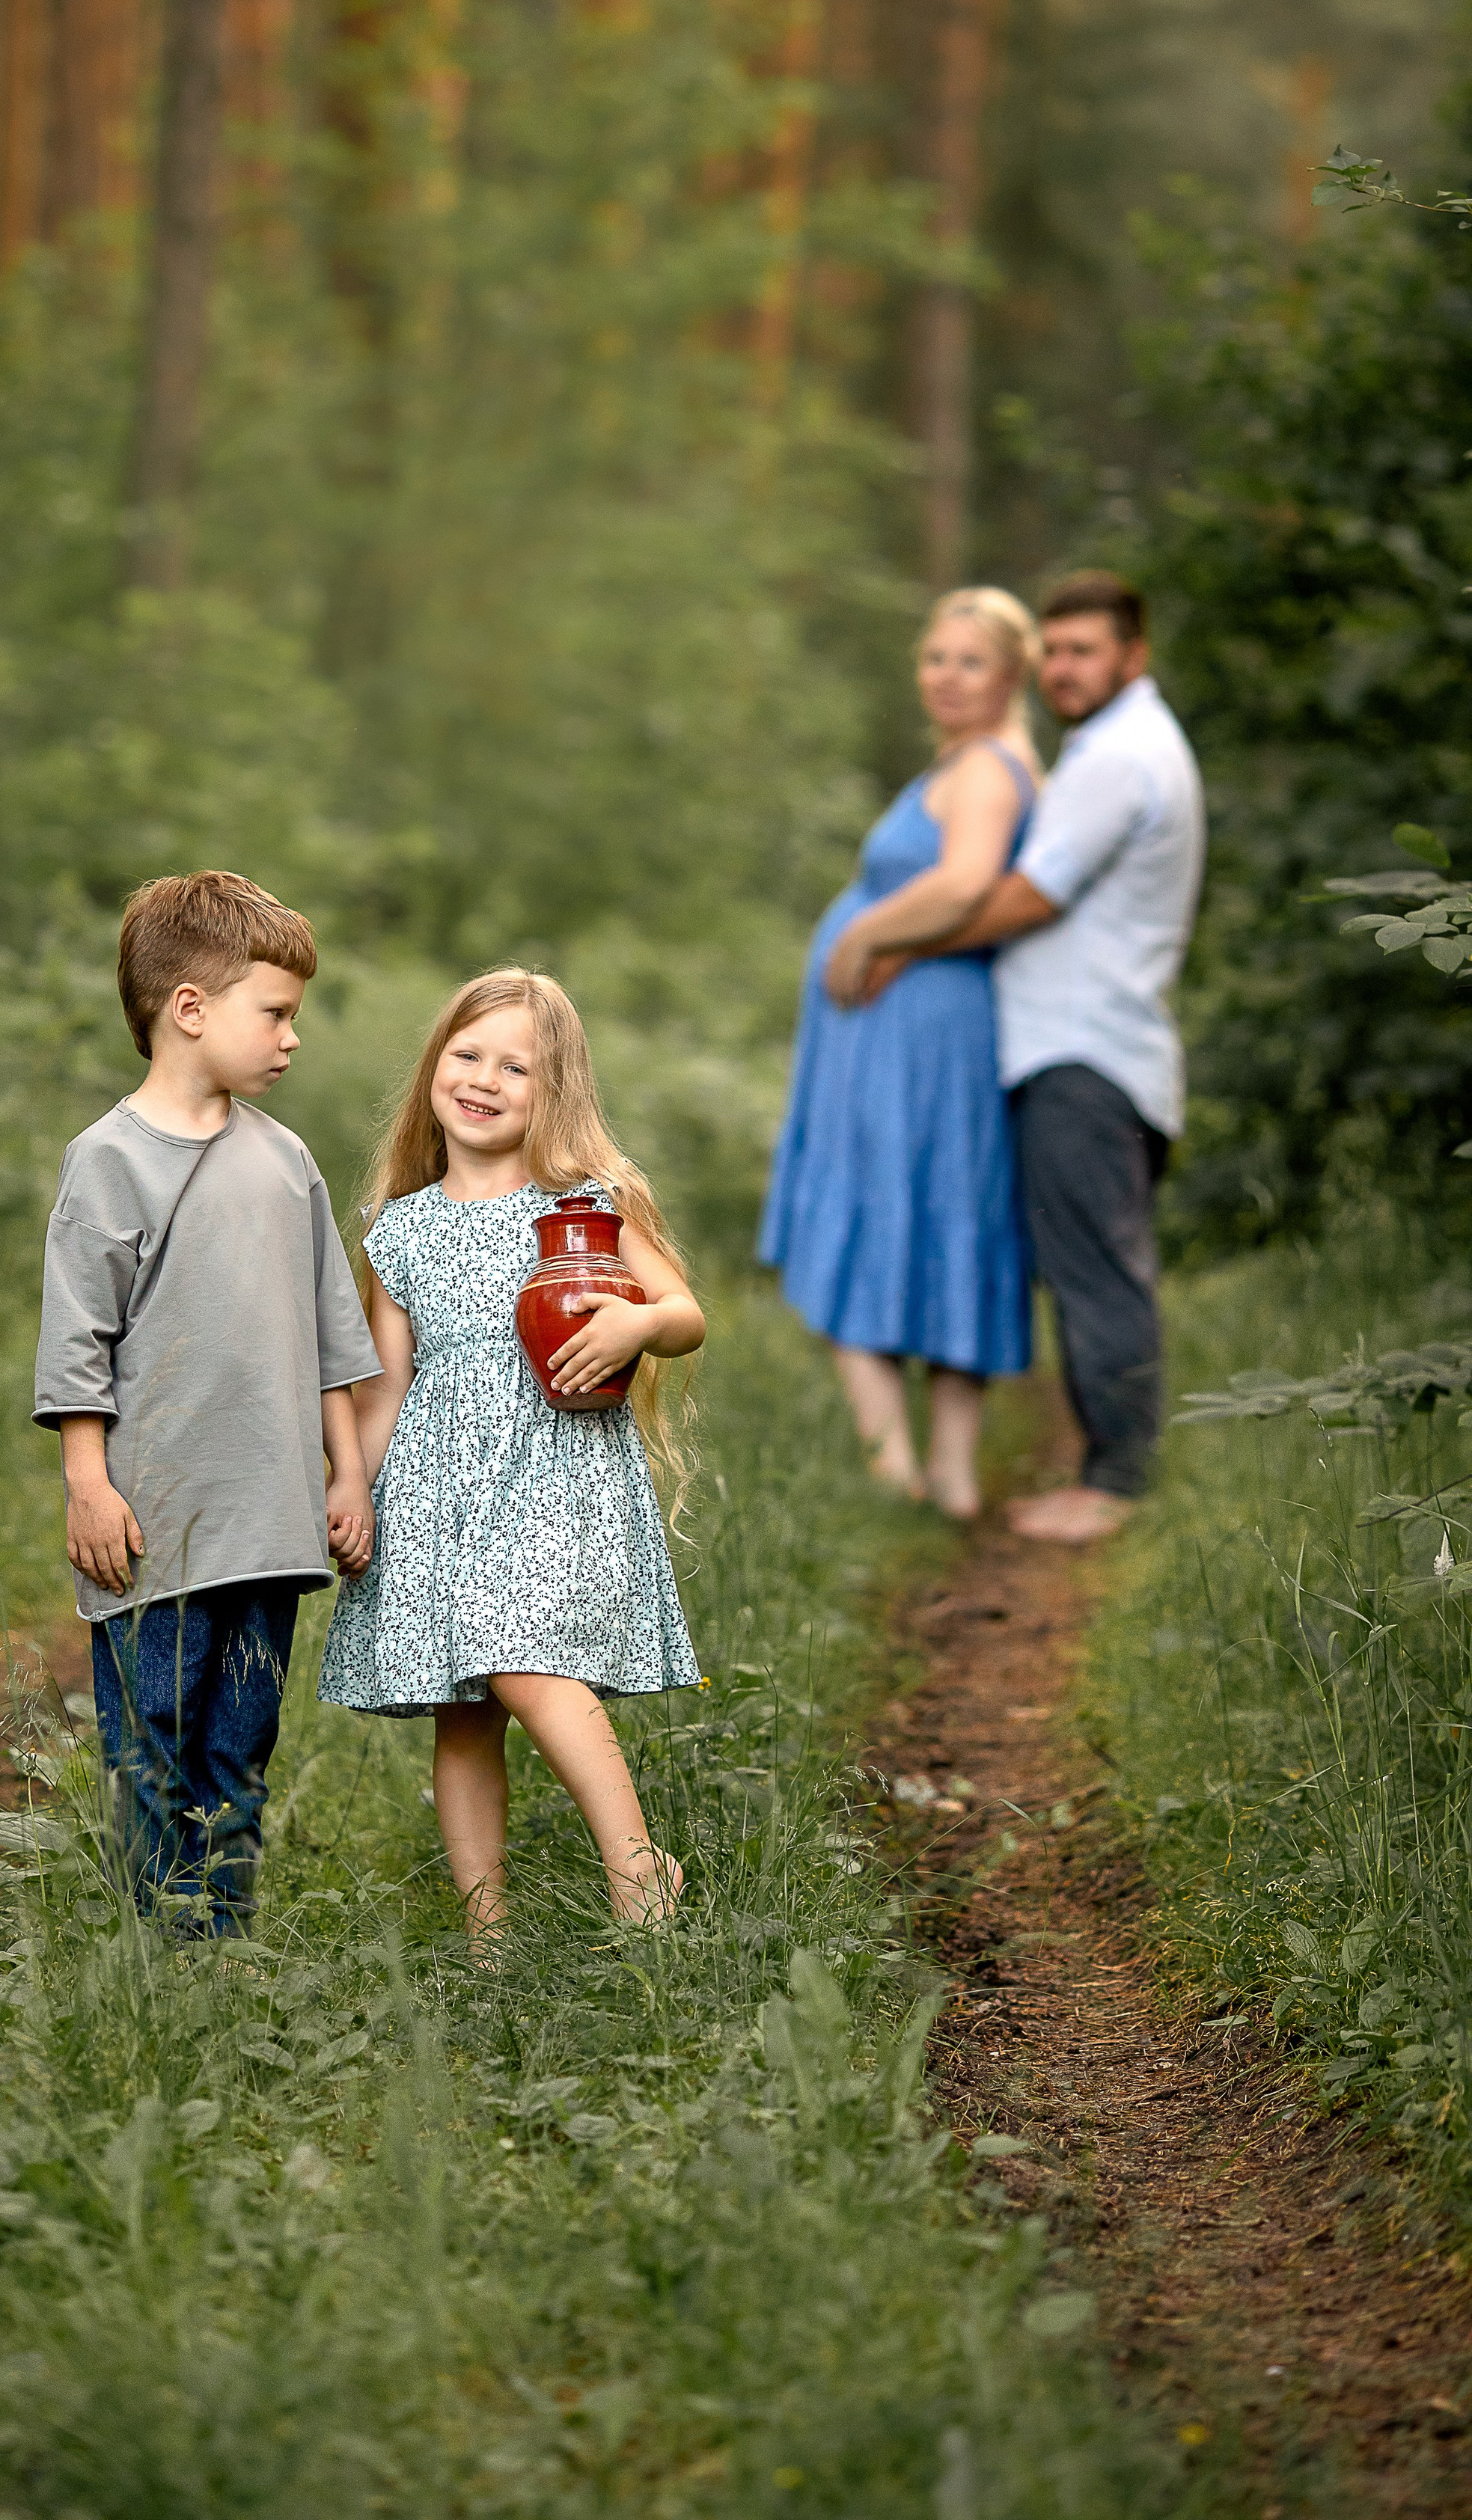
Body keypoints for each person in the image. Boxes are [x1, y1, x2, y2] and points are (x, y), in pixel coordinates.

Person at [317, 968, 705, 1949]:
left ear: (554, 1091)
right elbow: (385, 1388)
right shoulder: (401, 1229)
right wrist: (353, 1486)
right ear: (433, 1067)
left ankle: (638, 1871)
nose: (484, 1080)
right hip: (440, 1489)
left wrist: (635, 1325)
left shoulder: (582, 1207)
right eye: (467, 1055)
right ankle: (488, 1938)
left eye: (516, 1067)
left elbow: (683, 1314)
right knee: (466, 1712)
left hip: (557, 1474)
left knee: (521, 1661)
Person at [31, 869, 379, 1933]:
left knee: (239, 1749)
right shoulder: (107, 1162)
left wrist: (348, 1475)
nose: (291, 1038)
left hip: (269, 1524)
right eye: (273, 1013)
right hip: (156, 1523)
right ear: (189, 1008)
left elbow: (332, 1334)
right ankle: (156, 1956)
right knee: (153, 1745)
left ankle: (223, 1948)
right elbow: (78, 1343)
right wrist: (88, 1483)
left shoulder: (286, 1162)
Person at [831, 569, 1204, 1544]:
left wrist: (895, 942)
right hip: (1082, 1047)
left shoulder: (1121, 758)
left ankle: (1115, 1486)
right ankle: (1108, 1474)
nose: (1064, 668)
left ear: (1134, 656)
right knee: (1089, 1266)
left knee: (1096, 1274)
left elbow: (1030, 894)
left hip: (1088, 1052)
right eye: (1057, 651)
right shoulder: (1109, 748)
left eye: (1087, 651)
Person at [758, 590, 1040, 1520]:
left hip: (920, 1034)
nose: (947, 677)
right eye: (935, 657)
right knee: (913, 1207)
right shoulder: (961, 761)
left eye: (971, 661)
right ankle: (922, 1475)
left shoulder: (989, 768)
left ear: (1012, 674)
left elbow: (963, 884)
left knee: (909, 1205)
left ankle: (919, 1473)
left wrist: (863, 934)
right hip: (887, 1028)